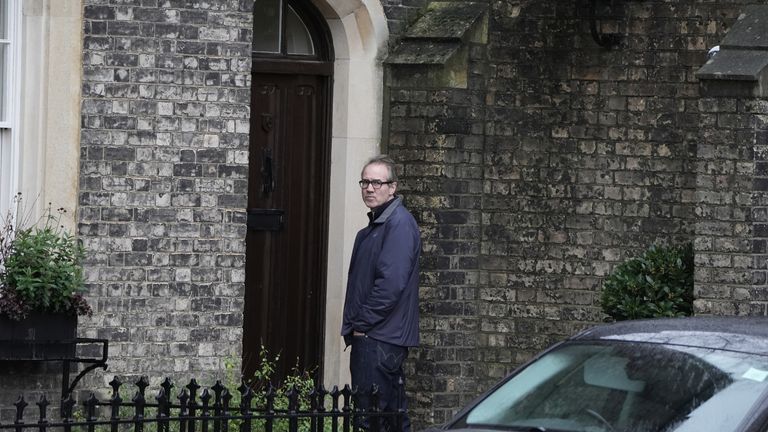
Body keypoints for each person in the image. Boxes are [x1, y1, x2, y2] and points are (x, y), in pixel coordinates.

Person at [341, 155, 421, 432]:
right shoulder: (376, 227)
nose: (369, 188)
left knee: (372, 420)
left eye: (377, 182)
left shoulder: (398, 224)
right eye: (365, 181)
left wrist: (361, 325)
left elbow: (391, 285)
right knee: (391, 420)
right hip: (379, 336)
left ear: (393, 187)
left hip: (379, 338)